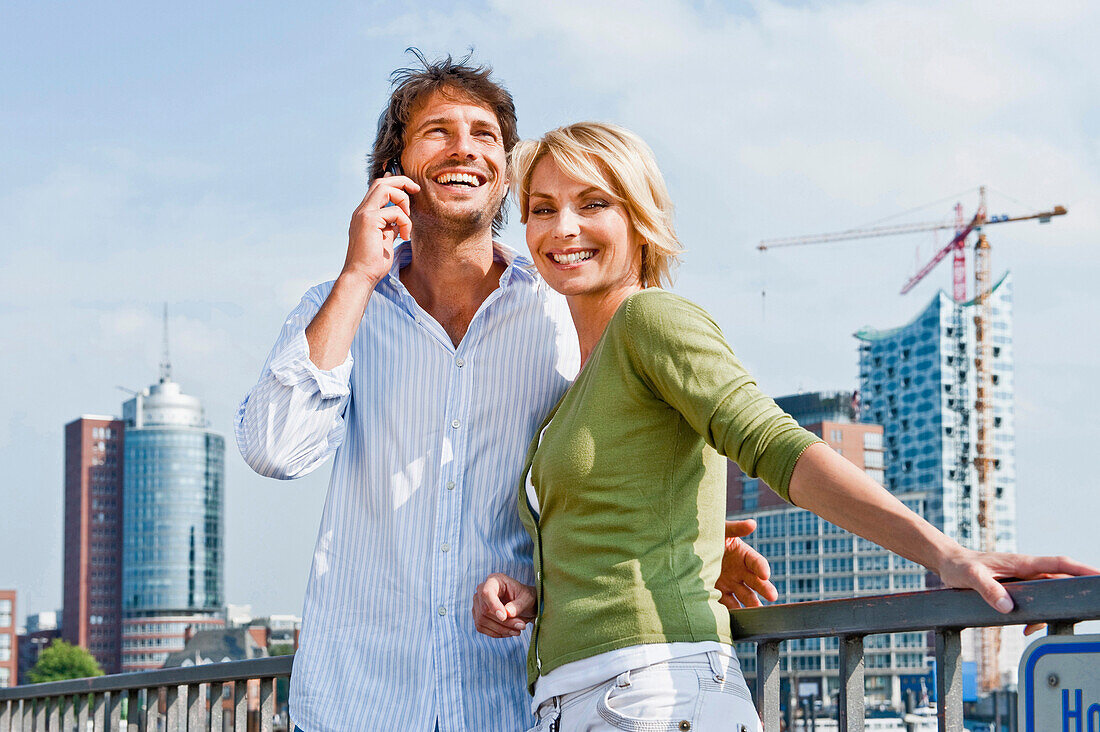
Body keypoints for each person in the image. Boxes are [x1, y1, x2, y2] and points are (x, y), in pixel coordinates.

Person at [471, 121, 1099, 732]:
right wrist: (540, 593)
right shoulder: (573, 386)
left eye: (593, 202)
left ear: (639, 218)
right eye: (542, 208)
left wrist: (946, 554)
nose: (564, 228)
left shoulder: (651, 321)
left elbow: (776, 444)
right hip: (576, 697)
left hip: (655, 694)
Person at [235, 53, 774, 732]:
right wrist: (355, 277)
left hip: (511, 699)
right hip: (360, 700)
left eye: (485, 134)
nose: (465, 147)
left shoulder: (558, 311)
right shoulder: (339, 307)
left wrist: (682, 548)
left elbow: (611, 453)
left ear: (507, 176)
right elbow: (276, 451)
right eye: (437, 131)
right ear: (392, 169)